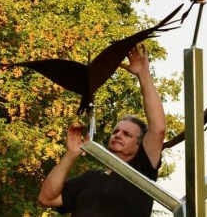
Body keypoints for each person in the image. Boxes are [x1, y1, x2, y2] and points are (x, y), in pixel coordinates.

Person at [38, 44, 166, 216]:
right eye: (116, 131)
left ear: (139, 145)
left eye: (127, 134)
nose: (118, 135)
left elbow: (158, 129)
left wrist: (143, 73)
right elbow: (46, 198)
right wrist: (71, 154)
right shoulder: (90, 178)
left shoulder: (141, 171)